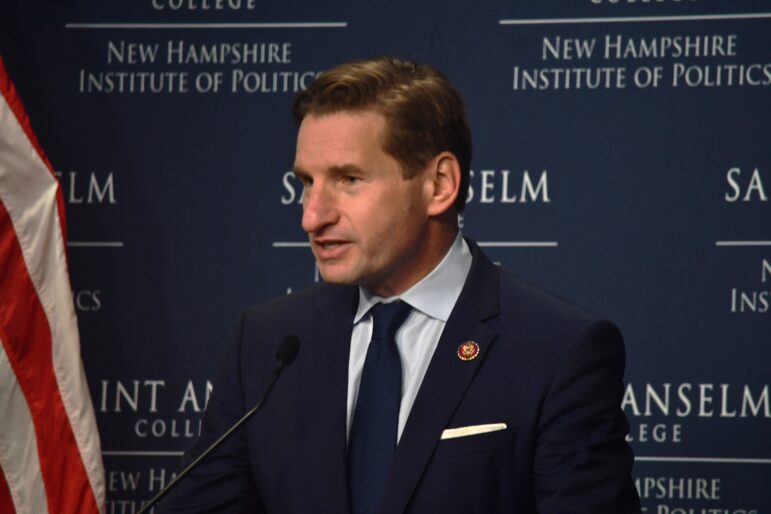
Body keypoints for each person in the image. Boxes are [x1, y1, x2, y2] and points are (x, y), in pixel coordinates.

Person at [159, 57, 641, 513]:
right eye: (307, 182)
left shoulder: (555, 350)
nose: (312, 216)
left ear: (440, 185)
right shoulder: (267, 344)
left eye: (348, 179)